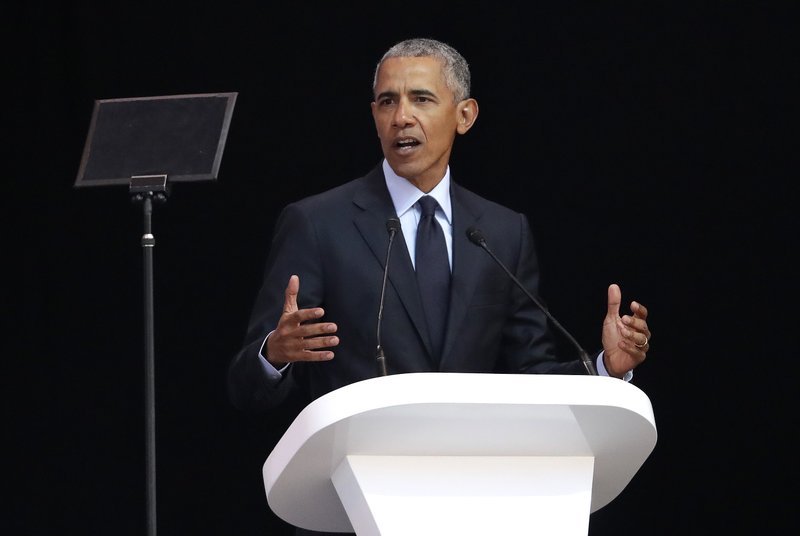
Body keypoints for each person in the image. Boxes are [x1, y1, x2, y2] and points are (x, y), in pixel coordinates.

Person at [228, 37, 651, 535]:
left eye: (421, 99)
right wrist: (273, 353)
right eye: (388, 101)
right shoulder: (318, 224)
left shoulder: (501, 231)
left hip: (477, 504)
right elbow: (244, 387)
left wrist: (605, 368)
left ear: (465, 115)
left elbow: (531, 372)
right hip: (355, 512)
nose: (401, 117)